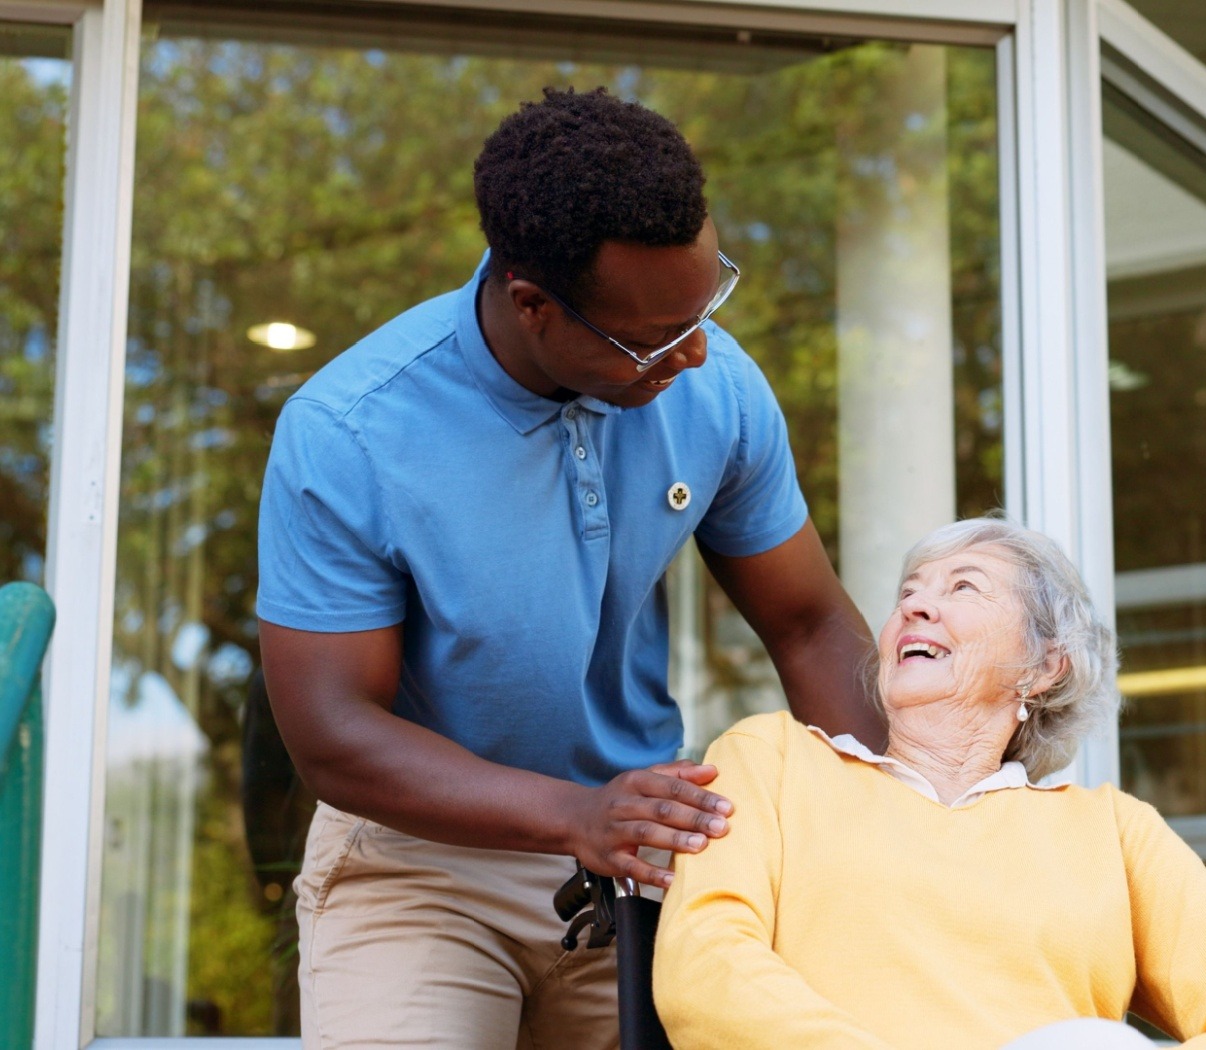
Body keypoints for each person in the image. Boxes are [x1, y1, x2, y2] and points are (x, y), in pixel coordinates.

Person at [256, 87, 881, 1049]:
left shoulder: (715, 388)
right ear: (533, 305)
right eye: (652, 338)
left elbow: (809, 626)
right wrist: (573, 813)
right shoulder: (350, 434)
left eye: (707, 302)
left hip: (638, 857)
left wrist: (907, 821)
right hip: (424, 863)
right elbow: (334, 734)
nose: (696, 350)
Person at [653, 517, 1206, 1050]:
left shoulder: (1111, 830)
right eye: (908, 595)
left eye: (962, 588)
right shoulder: (773, 760)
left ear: (1046, 667)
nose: (916, 609)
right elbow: (707, 965)